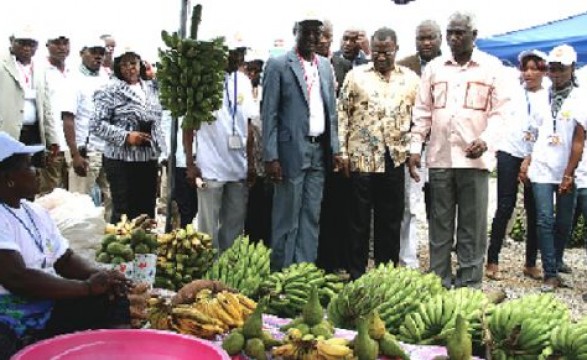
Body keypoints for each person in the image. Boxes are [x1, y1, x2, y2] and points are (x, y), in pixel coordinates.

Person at [0, 132, 131, 360]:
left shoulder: (36, 212)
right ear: (9, 178)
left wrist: (101, 275)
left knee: (112, 295)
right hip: (10, 315)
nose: (38, 172)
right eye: (29, 167)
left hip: (48, 303)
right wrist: (86, 288)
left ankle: (118, 354)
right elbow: (16, 277)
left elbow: (65, 259)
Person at [408, 12, 510, 289]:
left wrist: (486, 139)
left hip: (474, 161)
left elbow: (501, 113)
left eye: (460, 33)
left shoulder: (491, 68)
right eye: (450, 32)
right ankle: (438, 281)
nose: (454, 38)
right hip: (440, 157)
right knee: (439, 224)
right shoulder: (435, 68)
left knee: (472, 226)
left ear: (473, 35)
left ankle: (469, 282)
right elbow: (422, 112)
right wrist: (415, 146)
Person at [338, 27, 419, 279]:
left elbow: (418, 118)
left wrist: (413, 150)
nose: (381, 56)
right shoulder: (355, 76)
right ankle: (357, 275)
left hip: (393, 157)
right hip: (360, 156)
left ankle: (385, 276)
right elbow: (341, 114)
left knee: (390, 220)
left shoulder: (410, 79)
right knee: (359, 221)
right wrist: (341, 152)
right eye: (376, 51)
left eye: (387, 51)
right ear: (370, 49)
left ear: (396, 49)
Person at [262, 13, 339, 270]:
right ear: (296, 32)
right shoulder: (278, 64)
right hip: (289, 151)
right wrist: (270, 156)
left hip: (319, 150)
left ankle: (303, 273)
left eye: (316, 32)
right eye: (305, 31)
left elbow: (332, 113)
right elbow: (269, 114)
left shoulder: (325, 66)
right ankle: (281, 274)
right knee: (287, 216)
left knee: (311, 215)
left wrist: (335, 148)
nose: (311, 37)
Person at [522, 44, 586, 291]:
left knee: (564, 222)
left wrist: (569, 173)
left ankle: (557, 261)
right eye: (552, 69)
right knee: (544, 220)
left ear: (572, 69)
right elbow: (532, 132)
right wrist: (527, 161)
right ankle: (550, 273)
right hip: (541, 167)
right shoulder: (540, 98)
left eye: (562, 69)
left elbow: (579, 141)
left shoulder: (581, 99)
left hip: (567, 168)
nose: (556, 74)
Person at [183, 43, 255, 252]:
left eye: (240, 53)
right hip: (210, 168)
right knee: (207, 231)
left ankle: (226, 275)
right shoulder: (202, 80)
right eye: (232, 52)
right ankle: (207, 274)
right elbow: (188, 125)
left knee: (233, 229)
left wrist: (250, 163)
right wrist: (190, 163)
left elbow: (248, 125)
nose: (236, 58)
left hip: (238, 168)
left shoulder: (243, 81)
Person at [485, 50, 548, 281]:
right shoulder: (513, 90)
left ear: (543, 71)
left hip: (536, 155)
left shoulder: (548, 95)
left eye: (535, 68)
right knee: (505, 205)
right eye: (526, 68)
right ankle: (492, 259)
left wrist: (530, 159)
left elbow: (546, 130)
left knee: (534, 210)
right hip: (509, 150)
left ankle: (531, 262)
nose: (529, 73)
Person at [90, 50, 165, 223]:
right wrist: (126, 136)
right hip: (121, 160)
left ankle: (145, 246)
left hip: (147, 157)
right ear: (117, 66)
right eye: (124, 64)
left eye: (133, 63)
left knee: (146, 210)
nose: (129, 68)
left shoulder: (151, 87)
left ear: (141, 64)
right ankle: (122, 247)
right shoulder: (109, 90)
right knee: (124, 212)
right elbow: (96, 124)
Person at [397, 19, 443, 269]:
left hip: (441, 147)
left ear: (440, 39)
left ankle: (439, 262)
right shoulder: (403, 67)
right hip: (411, 146)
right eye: (421, 38)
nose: (426, 43)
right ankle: (408, 260)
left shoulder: (449, 66)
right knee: (410, 207)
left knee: (440, 209)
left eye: (430, 38)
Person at [61, 39, 111, 220]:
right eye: (93, 51)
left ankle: (108, 243)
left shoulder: (105, 78)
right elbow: (68, 120)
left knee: (111, 201)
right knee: (80, 204)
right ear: (82, 53)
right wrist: (75, 155)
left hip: (108, 149)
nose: (98, 56)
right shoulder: (73, 80)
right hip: (85, 151)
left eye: (101, 53)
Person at [0, 27, 58, 170]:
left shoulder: (39, 69)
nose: (27, 48)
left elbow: (46, 108)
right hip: (7, 133)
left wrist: (53, 140)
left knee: (28, 178)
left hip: (33, 133)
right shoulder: (2, 64)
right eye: (22, 43)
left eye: (31, 44)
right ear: (12, 42)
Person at [244, 57, 273, 245]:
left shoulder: (267, 91)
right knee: (254, 215)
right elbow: (249, 138)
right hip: (255, 170)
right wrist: (251, 166)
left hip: (270, 171)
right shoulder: (247, 95)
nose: (253, 74)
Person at [40, 32, 73, 194]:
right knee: (48, 193)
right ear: (47, 45)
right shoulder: (40, 71)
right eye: (57, 43)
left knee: (72, 195)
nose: (62, 47)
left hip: (73, 145)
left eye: (65, 43)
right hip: (52, 144)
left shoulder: (73, 72)